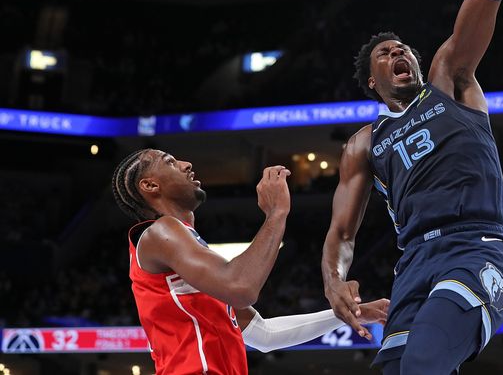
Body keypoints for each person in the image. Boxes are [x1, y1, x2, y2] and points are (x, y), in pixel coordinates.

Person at [322, 0, 503, 375]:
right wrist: (333, 280)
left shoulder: (450, 78)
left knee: (425, 360)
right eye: (384, 54)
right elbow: (342, 231)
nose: (397, 52)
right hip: (413, 262)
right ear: (373, 82)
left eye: (401, 48)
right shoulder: (363, 143)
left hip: (476, 245)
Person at [112, 149, 389, 375]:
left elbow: (264, 335)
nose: (186, 163)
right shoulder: (160, 231)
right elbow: (241, 286)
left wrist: (347, 313)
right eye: (170, 162)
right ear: (150, 186)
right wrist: (276, 213)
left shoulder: (195, 264)